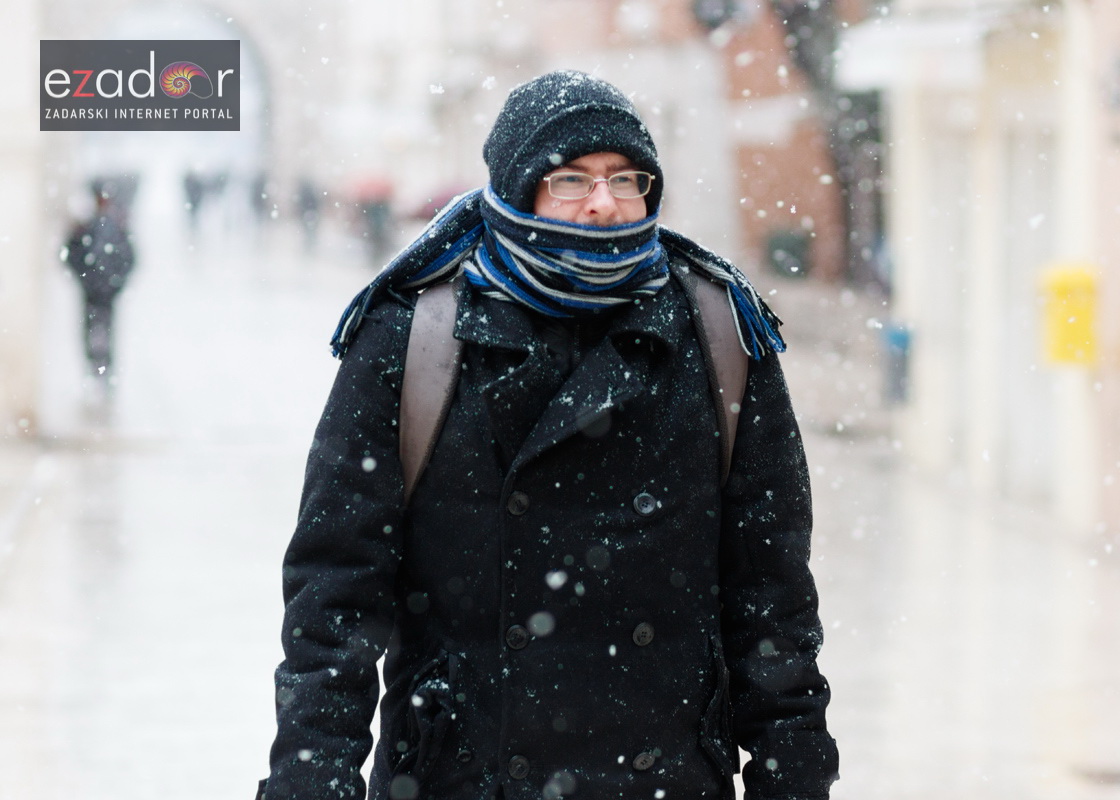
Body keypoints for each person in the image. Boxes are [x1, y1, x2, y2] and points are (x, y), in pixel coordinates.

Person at [258, 70, 838, 800]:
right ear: (515, 189)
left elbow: (772, 600)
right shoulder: (411, 338)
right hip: (462, 776)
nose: (603, 202)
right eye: (570, 179)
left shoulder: (718, 333)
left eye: (626, 179)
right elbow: (335, 595)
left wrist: (796, 779)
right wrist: (314, 778)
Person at [62, 179, 137, 386]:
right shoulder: (89, 227)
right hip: (94, 290)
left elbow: (129, 259)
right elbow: (70, 256)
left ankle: (103, 370)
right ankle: (95, 370)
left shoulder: (114, 227)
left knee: (105, 329)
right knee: (92, 329)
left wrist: (115, 283)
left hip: (105, 291)